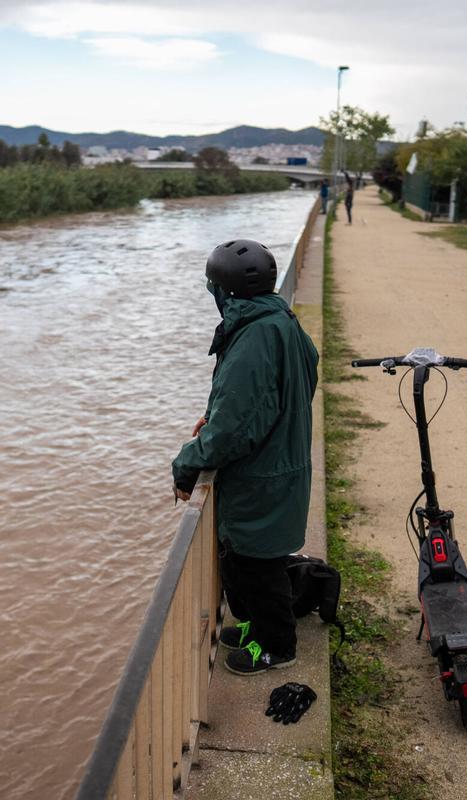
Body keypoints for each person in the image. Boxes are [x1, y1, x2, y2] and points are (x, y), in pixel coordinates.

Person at [171, 240, 319, 676]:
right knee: (248, 562)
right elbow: (296, 378)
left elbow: (232, 430)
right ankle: (256, 629)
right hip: (279, 464)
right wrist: (218, 415)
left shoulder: (254, 335)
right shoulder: (279, 319)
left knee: (259, 568)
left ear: (225, 292)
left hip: (263, 477)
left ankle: (276, 646)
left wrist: (186, 463)